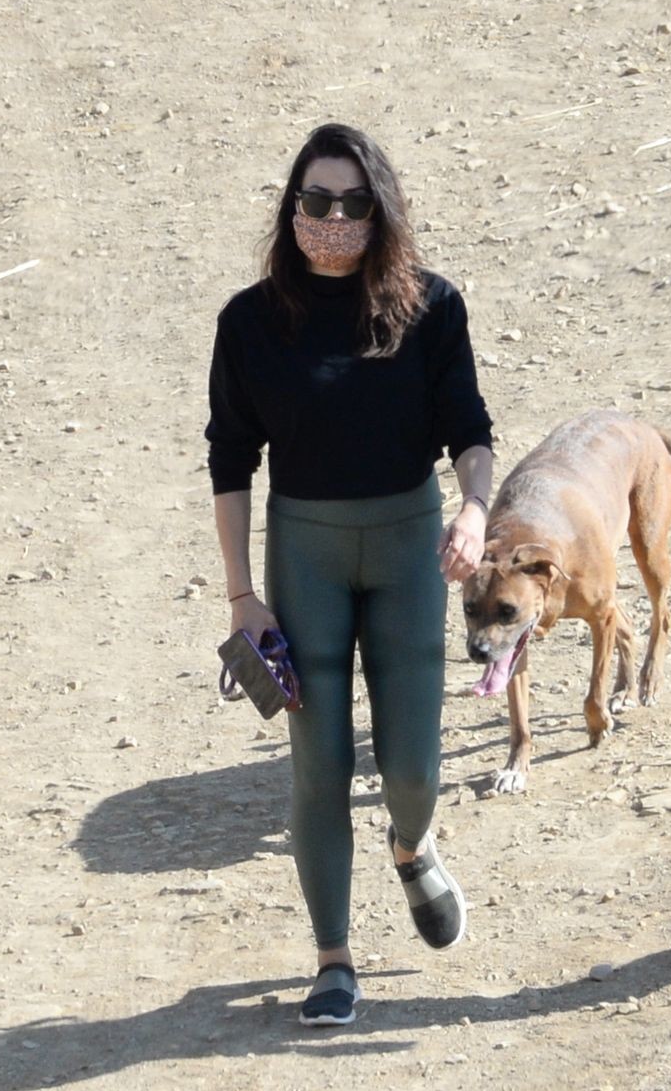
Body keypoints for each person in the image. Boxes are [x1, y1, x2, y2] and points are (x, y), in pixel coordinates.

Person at [207, 123, 495, 1025]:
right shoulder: (249, 323)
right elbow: (230, 462)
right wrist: (242, 595)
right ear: (290, 207)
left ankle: (412, 846)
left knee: (412, 768)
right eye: (315, 200)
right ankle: (333, 958)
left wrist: (474, 510)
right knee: (318, 766)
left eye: (353, 203)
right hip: (306, 554)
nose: (332, 218)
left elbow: (470, 430)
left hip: (408, 547)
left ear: (382, 211)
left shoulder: (431, 307)